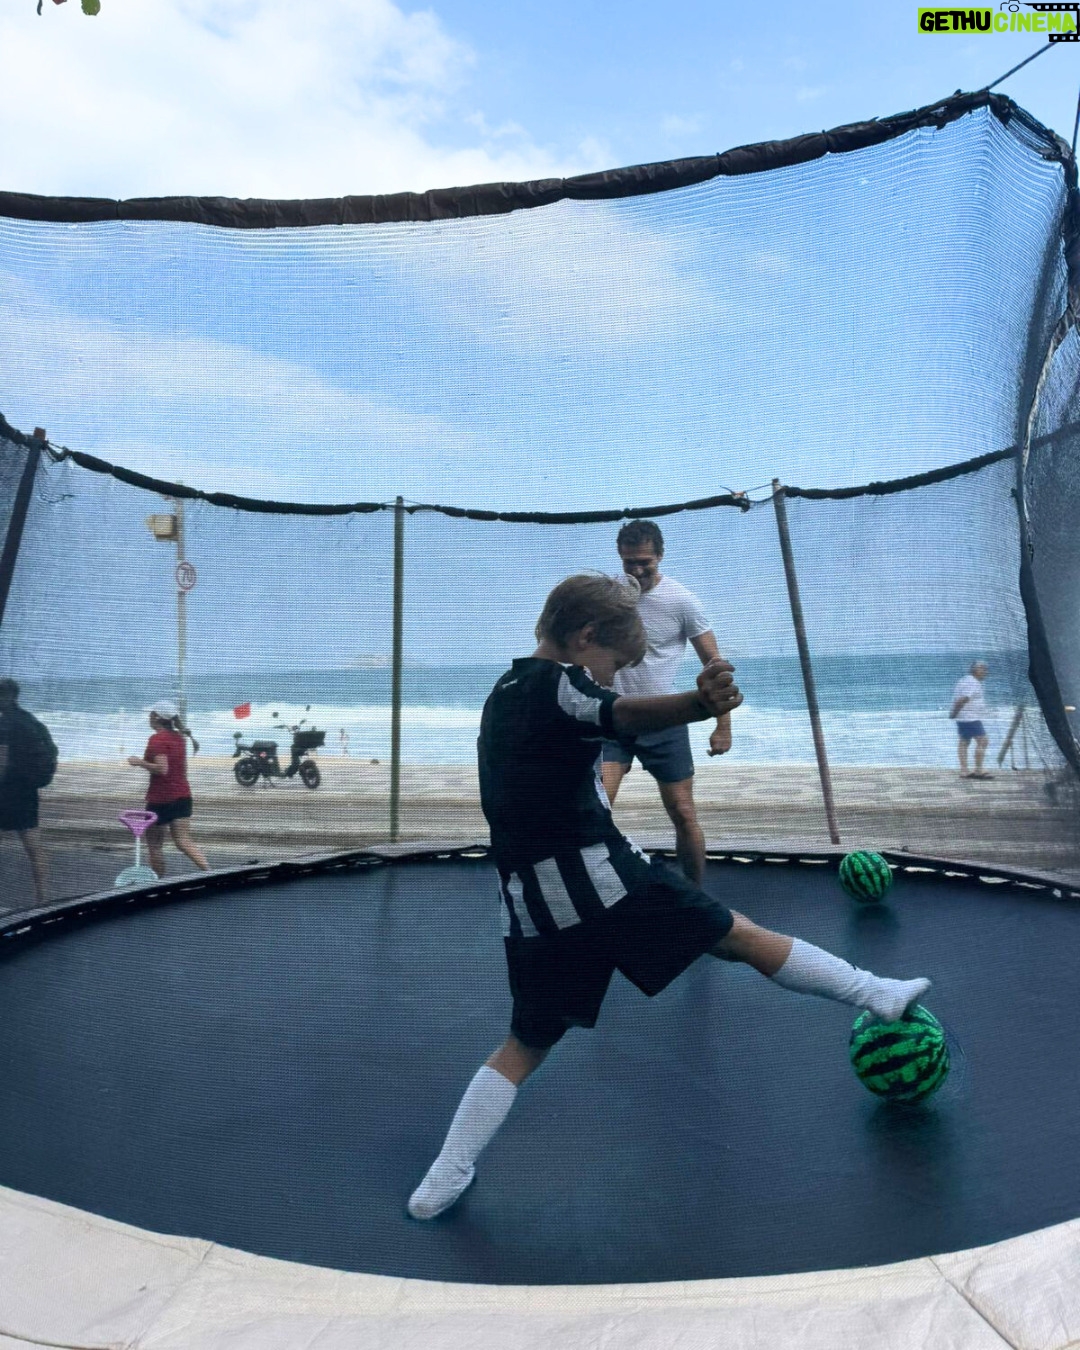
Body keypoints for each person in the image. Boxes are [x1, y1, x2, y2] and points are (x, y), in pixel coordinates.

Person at [407, 573, 931, 1220]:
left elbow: (572, 755)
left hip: (531, 906)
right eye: (615, 664)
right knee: (736, 935)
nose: (614, 679)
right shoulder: (562, 684)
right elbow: (621, 714)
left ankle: (445, 1176)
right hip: (604, 883)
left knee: (525, 1045)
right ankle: (875, 992)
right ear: (585, 637)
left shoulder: (505, 690)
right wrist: (698, 706)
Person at [601, 519, 729, 885]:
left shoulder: (682, 600)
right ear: (620, 558)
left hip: (663, 719)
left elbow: (715, 666)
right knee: (597, 810)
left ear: (660, 556)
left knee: (684, 813)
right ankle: (601, 893)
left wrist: (723, 726)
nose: (637, 570)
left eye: (645, 562)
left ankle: (695, 896)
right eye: (629, 562)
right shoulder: (608, 597)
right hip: (614, 718)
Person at [127, 700, 210, 877]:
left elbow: (162, 769)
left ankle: (158, 882)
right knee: (183, 841)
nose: (149, 717)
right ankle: (210, 873)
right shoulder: (179, 738)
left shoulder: (157, 739)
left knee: (155, 846)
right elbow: (181, 769)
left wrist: (139, 762)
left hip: (161, 799)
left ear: (156, 717)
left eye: (151, 713)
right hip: (183, 795)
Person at [0, 678, 55, 905]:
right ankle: (42, 898)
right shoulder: (29, 719)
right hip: (27, 791)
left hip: (6, 792)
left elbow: (2, 762)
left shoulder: (5, 723)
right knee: (34, 847)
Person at [950, 661, 991, 779]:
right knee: (983, 741)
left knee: (964, 741)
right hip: (970, 718)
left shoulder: (965, 680)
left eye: (986, 669)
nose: (985, 672)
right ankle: (978, 770)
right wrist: (954, 713)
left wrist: (955, 713)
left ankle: (964, 771)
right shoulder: (972, 682)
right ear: (974, 670)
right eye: (982, 669)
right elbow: (962, 699)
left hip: (964, 717)